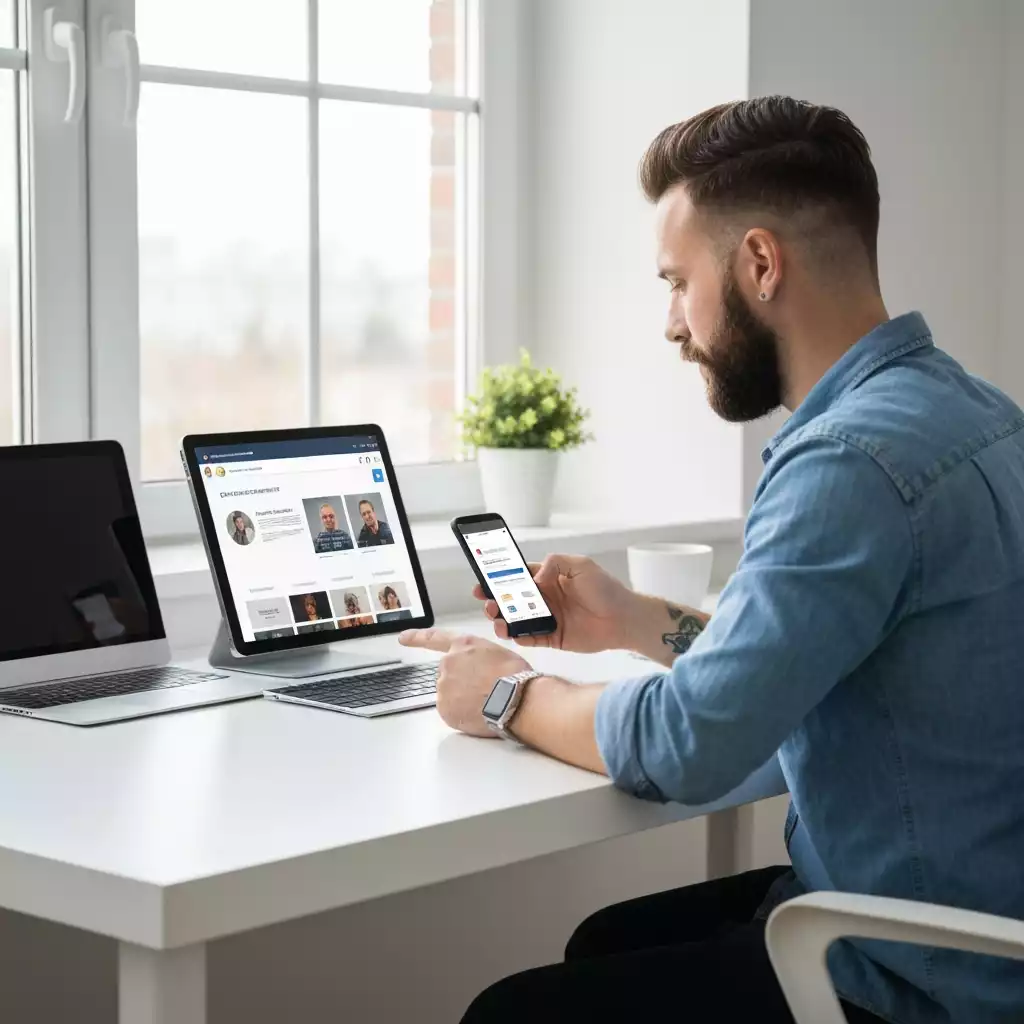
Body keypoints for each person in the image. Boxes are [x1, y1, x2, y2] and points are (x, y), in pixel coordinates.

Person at [399, 96, 1024, 1024]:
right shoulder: (975, 414)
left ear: (760, 263)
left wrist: (506, 694)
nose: (672, 323)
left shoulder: (847, 463)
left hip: (915, 978)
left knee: (512, 1012)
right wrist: (635, 621)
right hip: (970, 922)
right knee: (606, 943)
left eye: (676, 281)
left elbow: (689, 744)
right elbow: (815, 664)